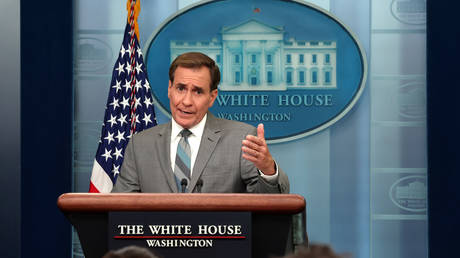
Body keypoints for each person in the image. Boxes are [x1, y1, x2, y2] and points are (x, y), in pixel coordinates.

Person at [112, 52, 289, 193]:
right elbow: (119, 208)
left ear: (212, 97)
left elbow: (268, 206)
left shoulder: (241, 139)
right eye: (180, 89)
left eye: (197, 92)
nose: (186, 101)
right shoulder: (141, 144)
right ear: (169, 89)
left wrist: (267, 170)